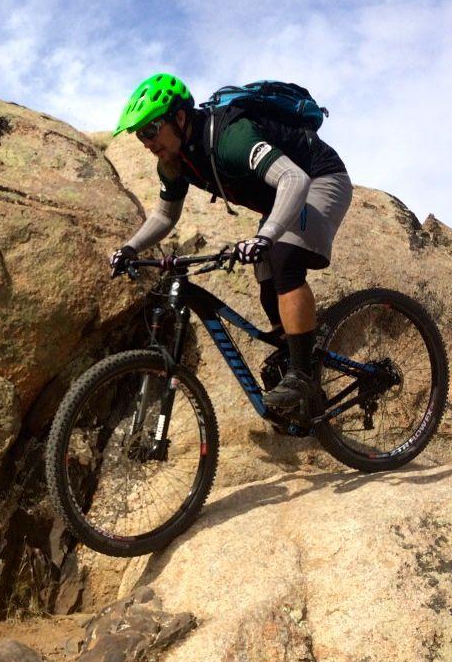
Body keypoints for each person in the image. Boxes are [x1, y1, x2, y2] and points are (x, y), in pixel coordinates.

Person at [109, 73, 352, 410]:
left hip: (317, 178)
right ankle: (295, 365)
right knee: (268, 283)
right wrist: (129, 248)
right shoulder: (173, 163)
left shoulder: (230, 137)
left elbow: (294, 178)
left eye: (151, 130)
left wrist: (266, 236)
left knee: (282, 259)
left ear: (179, 117)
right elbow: (165, 216)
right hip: (280, 197)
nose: (147, 142)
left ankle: (303, 375)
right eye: (140, 137)